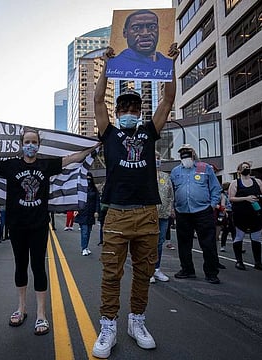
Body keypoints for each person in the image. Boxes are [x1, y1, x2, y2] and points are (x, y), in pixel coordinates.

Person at [91, 43, 179, 358]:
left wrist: (168, 64)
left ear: (139, 112)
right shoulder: (109, 133)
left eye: (133, 108)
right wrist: (105, 64)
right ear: (118, 112)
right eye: (124, 108)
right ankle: (108, 325)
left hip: (147, 214)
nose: (128, 111)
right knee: (111, 273)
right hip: (116, 213)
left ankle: (136, 322)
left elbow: (168, 98)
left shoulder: (149, 131)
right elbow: (98, 99)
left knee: (144, 272)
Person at [0, 127, 97, 336]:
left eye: (34, 142)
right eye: (27, 141)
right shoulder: (11, 165)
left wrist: (92, 147)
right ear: (21, 144)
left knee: (38, 267)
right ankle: (21, 308)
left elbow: (71, 159)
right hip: (17, 224)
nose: (30, 145)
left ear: (39, 145)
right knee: (20, 266)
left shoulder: (45, 164)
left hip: (39, 225)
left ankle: (41, 314)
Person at [170, 144, 222, 284]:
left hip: (203, 211)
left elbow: (216, 189)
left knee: (208, 244)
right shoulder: (175, 171)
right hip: (182, 212)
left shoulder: (205, 168)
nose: (185, 155)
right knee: (184, 244)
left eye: (188, 152)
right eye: (182, 152)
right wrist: (172, 207)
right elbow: (172, 191)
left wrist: (211, 205)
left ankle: (211, 273)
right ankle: (187, 270)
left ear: (193, 154)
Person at [106, 9, 173, 81]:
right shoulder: (116, 63)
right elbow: (99, 93)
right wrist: (106, 64)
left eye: (152, 27)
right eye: (136, 28)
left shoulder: (166, 62)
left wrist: (173, 63)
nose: (145, 33)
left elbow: (170, 92)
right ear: (125, 33)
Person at [228, 162, 262, 272]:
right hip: (241, 215)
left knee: (256, 237)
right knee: (239, 236)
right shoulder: (235, 183)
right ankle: (239, 261)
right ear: (239, 170)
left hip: (256, 214)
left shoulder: (258, 182)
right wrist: (246, 198)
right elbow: (231, 198)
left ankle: (258, 262)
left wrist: (259, 197)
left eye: (248, 167)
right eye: (244, 167)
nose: (247, 169)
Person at [150, 151, 173, 284]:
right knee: (148, 243)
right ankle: (148, 271)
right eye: (154, 158)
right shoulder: (144, 175)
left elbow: (170, 194)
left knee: (159, 243)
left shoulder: (165, 176)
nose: (157, 160)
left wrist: (171, 209)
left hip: (164, 214)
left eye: (158, 158)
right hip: (148, 215)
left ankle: (156, 269)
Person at [74, 172, 100, 256]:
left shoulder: (94, 190)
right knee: (84, 231)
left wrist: (96, 211)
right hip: (82, 212)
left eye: (89, 179)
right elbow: (76, 200)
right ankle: (84, 248)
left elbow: (97, 201)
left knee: (88, 231)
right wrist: (76, 209)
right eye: (87, 179)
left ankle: (86, 246)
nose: (88, 180)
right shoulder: (80, 189)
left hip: (91, 213)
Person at [219, 182, 235, 252]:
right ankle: (223, 246)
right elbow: (222, 205)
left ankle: (237, 245)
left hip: (232, 212)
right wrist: (225, 212)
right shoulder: (223, 195)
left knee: (234, 230)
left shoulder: (230, 194)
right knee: (226, 230)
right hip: (227, 213)